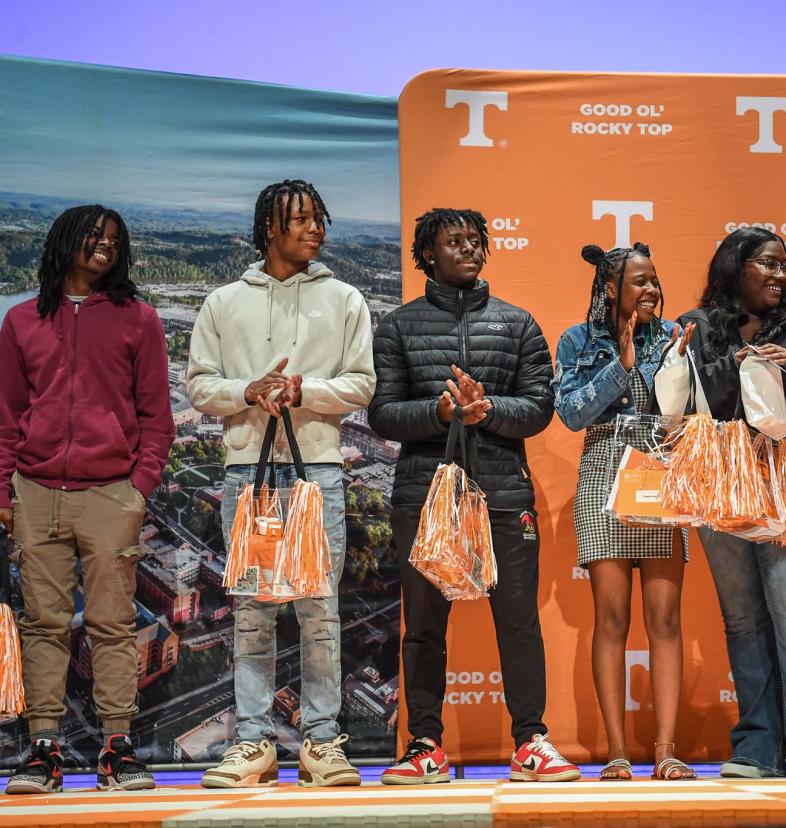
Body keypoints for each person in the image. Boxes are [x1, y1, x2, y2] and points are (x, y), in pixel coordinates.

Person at [369, 207, 579, 784]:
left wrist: (490, 411)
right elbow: (383, 413)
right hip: (424, 495)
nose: (468, 250)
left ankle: (531, 742)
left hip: (505, 493)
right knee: (424, 625)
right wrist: (437, 413)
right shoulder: (397, 327)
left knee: (517, 621)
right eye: (453, 242)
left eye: (475, 241)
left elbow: (539, 407)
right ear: (427, 255)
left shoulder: (518, 325)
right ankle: (424, 745)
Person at [188, 180, 375, 788]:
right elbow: (198, 386)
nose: (315, 228)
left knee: (319, 610)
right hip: (248, 470)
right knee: (253, 612)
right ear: (269, 226)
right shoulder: (223, 302)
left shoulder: (346, 299)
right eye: (300, 219)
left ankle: (321, 743)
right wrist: (247, 390)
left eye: (319, 217)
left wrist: (304, 390)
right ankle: (253, 742)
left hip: (319, 467)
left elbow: (361, 385)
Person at [0, 205, 173, 794]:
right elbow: (6, 417)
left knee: (112, 624)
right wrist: (5, 491)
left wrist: (137, 490)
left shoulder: (139, 320)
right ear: (64, 241)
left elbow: (157, 416)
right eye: (93, 236)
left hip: (110, 493)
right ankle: (42, 751)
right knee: (43, 623)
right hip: (34, 489)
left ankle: (116, 750)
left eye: (113, 240)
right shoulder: (21, 321)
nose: (103, 246)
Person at [677, 226, 786, 780]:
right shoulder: (701, 327)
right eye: (768, 264)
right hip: (723, 481)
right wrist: (735, 364)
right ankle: (757, 746)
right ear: (736, 267)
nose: (781, 274)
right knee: (744, 620)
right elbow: (686, 397)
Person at [552, 243, 696, 781]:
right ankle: (616, 752)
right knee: (611, 618)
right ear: (612, 289)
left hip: (660, 473)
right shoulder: (578, 339)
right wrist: (621, 366)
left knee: (665, 619)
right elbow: (569, 413)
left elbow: (694, 408)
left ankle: (666, 750)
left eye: (656, 280)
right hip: (603, 473)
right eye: (640, 281)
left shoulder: (675, 335)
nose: (653, 290)